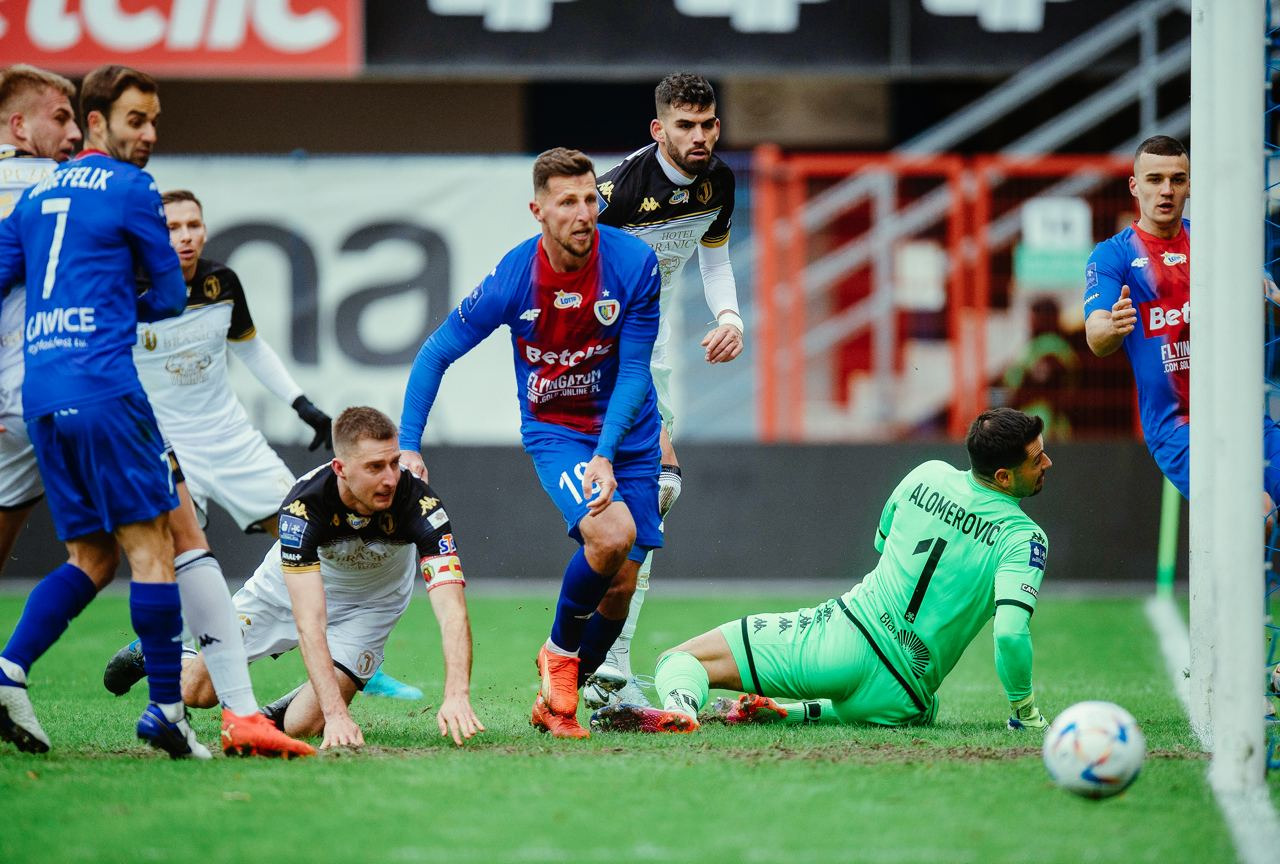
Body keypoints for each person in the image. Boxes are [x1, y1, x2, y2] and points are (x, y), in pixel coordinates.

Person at [399, 147, 663, 739]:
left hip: (631, 433)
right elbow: (435, 352)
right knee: (610, 534)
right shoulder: (514, 278)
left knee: (620, 585)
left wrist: (609, 452)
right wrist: (410, 443)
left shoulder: (634, 264)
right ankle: (559, 657)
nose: (583, 213)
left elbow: (634, 370)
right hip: (559, 432)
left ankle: (554, 703)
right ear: (537, 211)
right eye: (567, 202)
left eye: (590, 199)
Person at [591, 408, 1053, 735]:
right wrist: (1025, 714)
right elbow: (1010, 633)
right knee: (923, 710)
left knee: (681, 660)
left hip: (841, 642)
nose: (1048, 463)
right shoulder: (1024, 538)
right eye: (1037, 459)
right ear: (1003, 476)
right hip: (905, 695)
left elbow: (883, 542)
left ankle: (682, 711)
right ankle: (791, 713)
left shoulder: (925, 475)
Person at [133, 189, 417, 700]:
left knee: (309, 528)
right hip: (164, 443)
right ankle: (168, 646)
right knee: (176, 554)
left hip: (229, 437)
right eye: (173, 227)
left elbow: (250, 347)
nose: (186, 237)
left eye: (194, 225)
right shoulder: (127, 290)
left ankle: (349, 653)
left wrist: (301, 404)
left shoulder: (221, 282)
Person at [0, 65, 204, 758]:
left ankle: (8, 668)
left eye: (154, 122)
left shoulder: (34, 197)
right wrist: (119, 307)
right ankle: (167, 711)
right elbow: (170, 297)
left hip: (41, 396)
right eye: (135, 120)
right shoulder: (132, 188)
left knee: (90, 557)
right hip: (104, 389)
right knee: (155, 550)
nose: (148, 135)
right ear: (96, 122)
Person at [110, 407, 484, 749]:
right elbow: (309, 621)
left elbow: (451, 611)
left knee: (301, 725)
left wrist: (457, 695)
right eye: (374, 467)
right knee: (198, 692)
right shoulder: (305, 506)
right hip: (284, 592)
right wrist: (336, 714)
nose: (390, 479)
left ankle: (271, 715)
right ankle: (169, 654)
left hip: (372, 607)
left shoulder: (421, 505)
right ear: (340, 468)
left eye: (393, 463)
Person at [586, 72, 744, 708]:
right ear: (659, 130)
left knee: (644, 504)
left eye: (707, 124)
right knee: (656, 483)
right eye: (685, 125)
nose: (699, 135)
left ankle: (605, 667)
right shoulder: (616, 192)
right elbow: (561, 265)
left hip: (652, 353)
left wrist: (730, 317)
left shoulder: (719, 183)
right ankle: (598, 659)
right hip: (601, 354)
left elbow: (713, 257)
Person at [1084, 134, 1280, 504]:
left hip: (1242, 414)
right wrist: (1113, 325)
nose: (1166, 190)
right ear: (1134, 185)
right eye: (1154, 179)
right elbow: (1096, 335)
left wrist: (1263, 298)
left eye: (1177, 179)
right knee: (1255, 510)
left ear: (1189, 185)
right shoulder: (1113, 255)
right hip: (1177, 427)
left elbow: (1273, 303)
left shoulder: (1217, 243)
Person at [0, 65, 80, 576]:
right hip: (54, 385)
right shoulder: (60, 182)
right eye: (60, 118)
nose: (74, 133)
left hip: (10, 402)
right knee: (165, 538)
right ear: (19, 126)